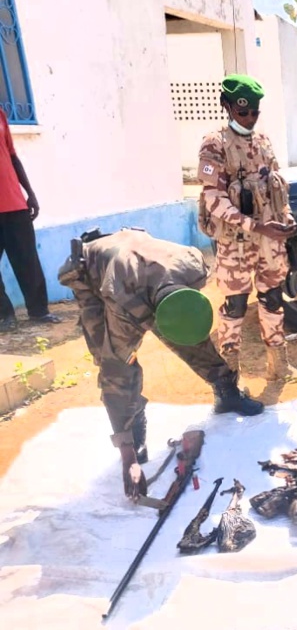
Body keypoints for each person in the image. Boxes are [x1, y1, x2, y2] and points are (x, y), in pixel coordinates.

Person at [57, 228, 265, 500]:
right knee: (112, 358)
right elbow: (116, 372)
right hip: (92, 274)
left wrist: (182, 327)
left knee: (190, 337)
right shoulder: (123, 301)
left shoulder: (193, 265)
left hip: (140, 265)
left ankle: (226, 392)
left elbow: (186, 320)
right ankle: (132, 429)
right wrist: (127, 456)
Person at [198, 74, 297, 383]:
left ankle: (279, 366)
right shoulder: (214, 144)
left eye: (254, 112)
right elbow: (213, 199)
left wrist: (285, 218)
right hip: (235, 241)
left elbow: (277, 188)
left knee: (273, 297)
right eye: (242, 111)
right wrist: (257, 225)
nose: (248, 118)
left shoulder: (263, 141)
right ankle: (229, 375)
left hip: (268, 242)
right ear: (227, 106)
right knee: (235, 304)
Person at [0, 108, 62, 332]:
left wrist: (30, 193)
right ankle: (4, 316)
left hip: (14, 203)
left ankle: (39, 311)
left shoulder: (0, 115)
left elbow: (12, 156)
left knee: (28, 261)